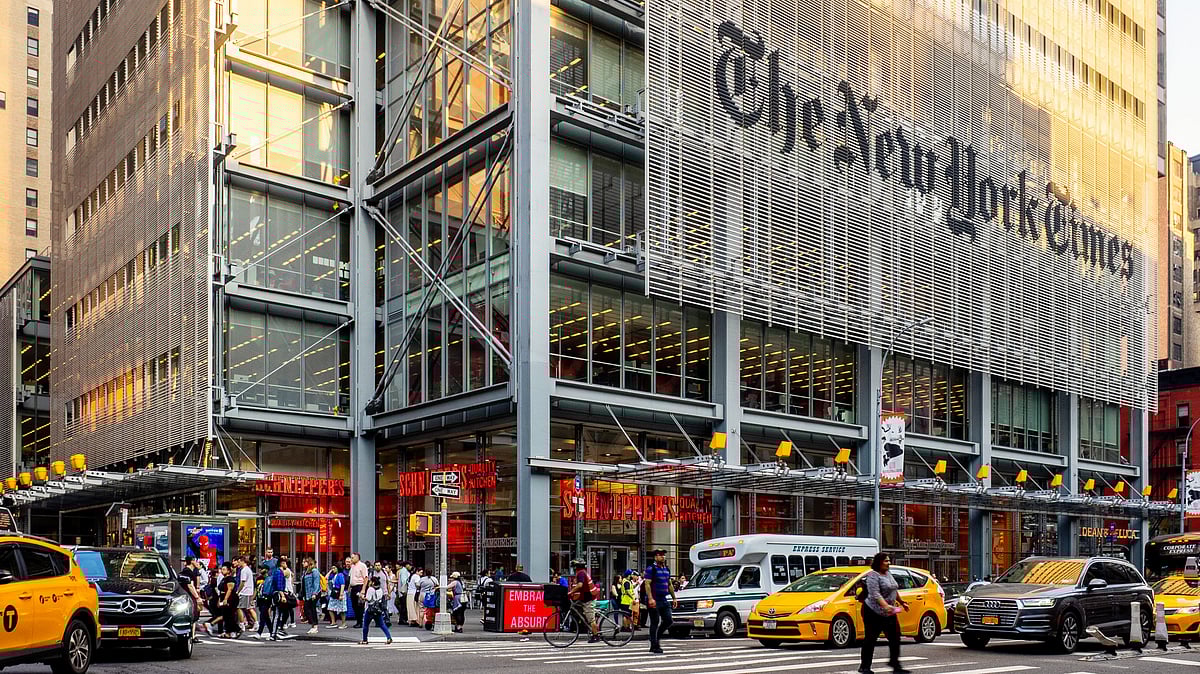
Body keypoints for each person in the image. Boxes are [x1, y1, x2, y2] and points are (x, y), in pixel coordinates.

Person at [858, 552, 910, 674]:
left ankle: (895, 664)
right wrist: (885, 606)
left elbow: (893, 589)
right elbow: (875, 594)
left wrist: (902, 602)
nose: (888, 563)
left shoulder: (888, 574)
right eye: (886, 561)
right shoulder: (873, 576)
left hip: (889, 612)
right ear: (879, 562)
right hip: (872, 611)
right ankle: (865, 666)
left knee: (895, 637)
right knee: (870, 639)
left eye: (888, 561)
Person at [642, 549, 677, 654]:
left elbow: (669, 584)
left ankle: (656, 637)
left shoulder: (666, 569)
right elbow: (647, 584)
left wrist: (674, 597)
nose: (663, 557)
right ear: (655, 557)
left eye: (663, 555)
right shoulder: (651, 569)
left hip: (663, 599)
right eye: (660, 555)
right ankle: (654, 645)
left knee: (668, 620)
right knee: (655, 622)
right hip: (654, 599)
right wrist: (650, 598)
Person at [568, 559, 601, 643]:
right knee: (576, 609)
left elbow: (580, 585)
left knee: (591, 619)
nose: (574, 568)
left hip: (588, 599)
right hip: (583, 598)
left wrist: (571, 592)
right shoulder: (582, 572)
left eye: (574, 566)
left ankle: (596, 636)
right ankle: (582, 626)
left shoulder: (581, 573)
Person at [360, 576, 394, 645]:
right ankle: (389, 637)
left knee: (366, 625)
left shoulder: (370, 589)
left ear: (373, 582)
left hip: (370, 609)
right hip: (378, 609)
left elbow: (368, 599)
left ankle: (364, 639)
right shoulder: (380, 590)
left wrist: (362, 597)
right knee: (382, 624)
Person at [217, 562, 241, 639]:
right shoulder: (223, 579)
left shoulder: (230, 579)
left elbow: (229, 590)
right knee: (226, 616)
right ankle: (229, 632)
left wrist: (225, 599)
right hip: (223, 597)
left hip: (231, 598)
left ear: (228, 571)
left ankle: (237, 629)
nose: (222, 571)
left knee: (229, 615)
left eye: (224, 569)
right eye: (222, 569)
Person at [301, 557, 323, 635]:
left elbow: (316, 583)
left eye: (304, 562)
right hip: (308, 594)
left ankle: (315, 625)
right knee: (307, 609)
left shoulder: (314, 571)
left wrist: (314, 593)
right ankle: (313, 625)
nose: (302, 563)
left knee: (311, 609)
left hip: (314, 593)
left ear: (308, 563)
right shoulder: (306, 572)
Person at [349, 552, 370, 629]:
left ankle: (360, 622)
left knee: (359, 605)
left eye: (353, 557)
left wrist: (363, 589)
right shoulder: (352, 566)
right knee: (354, 605)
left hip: (359, 586)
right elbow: (351, 577)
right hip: (353, 587)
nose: (351, 559)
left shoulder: (362, 566)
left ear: (357, 557)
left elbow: (366, 578)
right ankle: (358, 620)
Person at [237, 557, 257, 631]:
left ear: (243, 561)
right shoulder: (248, 569)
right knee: (248, 608)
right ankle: (255, 623)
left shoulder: (244, 570)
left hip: (245, 592)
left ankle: (242, 624)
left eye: (239, 562)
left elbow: (243, 582)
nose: (238, 563)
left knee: (239, 607)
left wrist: (238, 591)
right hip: (248, 591)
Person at [327, 562, 348, 629]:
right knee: (330, 608)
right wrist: (330, 571)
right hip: (334, 593)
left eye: (334, 568)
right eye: (332, 568)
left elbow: (342, 585)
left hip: (339, 592)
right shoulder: (333, 575)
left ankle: (343, 623)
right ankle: (333, 622)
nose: (333, 569)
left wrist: (341, 594)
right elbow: (326, 578)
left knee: (342, 609)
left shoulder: (340, 575)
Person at [279, 558, 297, 629]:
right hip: (289, 590)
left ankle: (285, 623)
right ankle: (292, 622)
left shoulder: (286, 571)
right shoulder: (288, 571)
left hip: (287, 591)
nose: (282, 564)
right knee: (289, 608)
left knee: (285, 608)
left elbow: (281, 575)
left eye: (284, 563)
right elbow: (292, 576)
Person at [396, 561, 411, 625]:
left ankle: (401, 619)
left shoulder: (402, 571)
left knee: (403, 606)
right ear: (407, 565)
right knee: (404, 606)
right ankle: (403, 619)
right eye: (410, 565)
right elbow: (404, 581)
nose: (410, 567)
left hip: (401, 591)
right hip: (404, 591)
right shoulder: (404, 571)